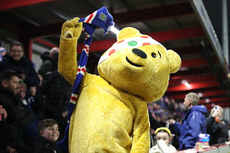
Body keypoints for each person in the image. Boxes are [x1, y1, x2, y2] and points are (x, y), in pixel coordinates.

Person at [0, 70, 32, 153]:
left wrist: (18, 122)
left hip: (18, 141)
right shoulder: (2, 99)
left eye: (18, 83)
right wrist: (6, 146)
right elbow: (15, 115)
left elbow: (30, 114)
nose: (18, 86)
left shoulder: (16, 97)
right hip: (7, 146)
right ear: (4, 83)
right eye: (15, 83)